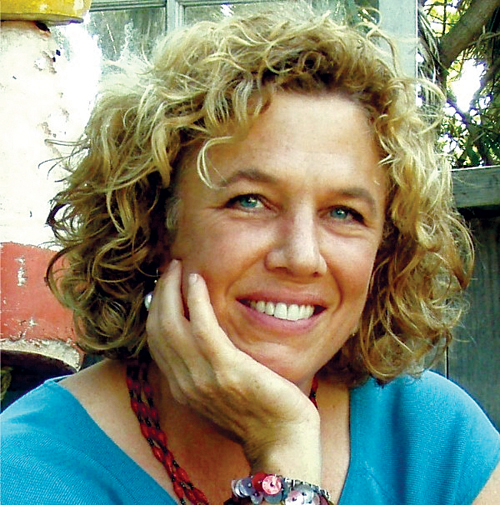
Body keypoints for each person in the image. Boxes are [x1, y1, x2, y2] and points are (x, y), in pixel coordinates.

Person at [1, 4, 499, 504]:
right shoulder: (30, 469)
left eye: (344, 213)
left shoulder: (437, 443)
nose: (301, 257)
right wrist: (283, 455)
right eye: (250, 202)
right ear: (154, 224)